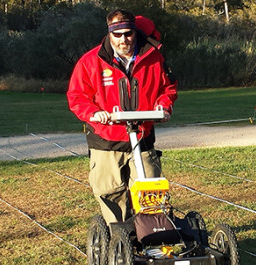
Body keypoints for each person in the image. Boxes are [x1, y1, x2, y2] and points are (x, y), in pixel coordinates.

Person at [67, 9, 177, 225]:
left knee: (150, 189)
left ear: (135, 32)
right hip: (106, 138)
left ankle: (152, 236)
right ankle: (119, 236)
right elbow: (77, 96)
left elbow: (168, 88)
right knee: (110, 191)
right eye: (117, 35)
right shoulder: (91, 61)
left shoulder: (153, 57)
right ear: (109, 34)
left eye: (127, 33)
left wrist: (164, 107)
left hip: (142, 136)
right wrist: (94, 113)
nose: (123, 39)